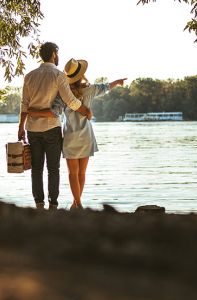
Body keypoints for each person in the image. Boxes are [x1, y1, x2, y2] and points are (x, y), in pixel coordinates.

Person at [28, 58, 126, 209]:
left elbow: (53, 112)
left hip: (70, 137)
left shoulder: (63, 94)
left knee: (73, 173)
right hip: (86, 135)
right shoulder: (90, 90)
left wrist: (33, 111)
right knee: (82, 173)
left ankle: (77, 203)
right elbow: (105, 87)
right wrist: (117, 82)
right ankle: (77, 203)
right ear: (82, 75)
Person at [18, 42, 93, 210]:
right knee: (53, 168)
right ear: (53, 54)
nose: (58, 56)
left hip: (32, 129)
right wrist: (85, 110)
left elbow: (24, 105)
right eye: (57, 53)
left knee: (36, 168)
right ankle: (53, 205)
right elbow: (71, 101)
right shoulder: (58, 75)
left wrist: (20, 127)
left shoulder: (29, 76)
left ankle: (39, 204)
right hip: (52, 128)